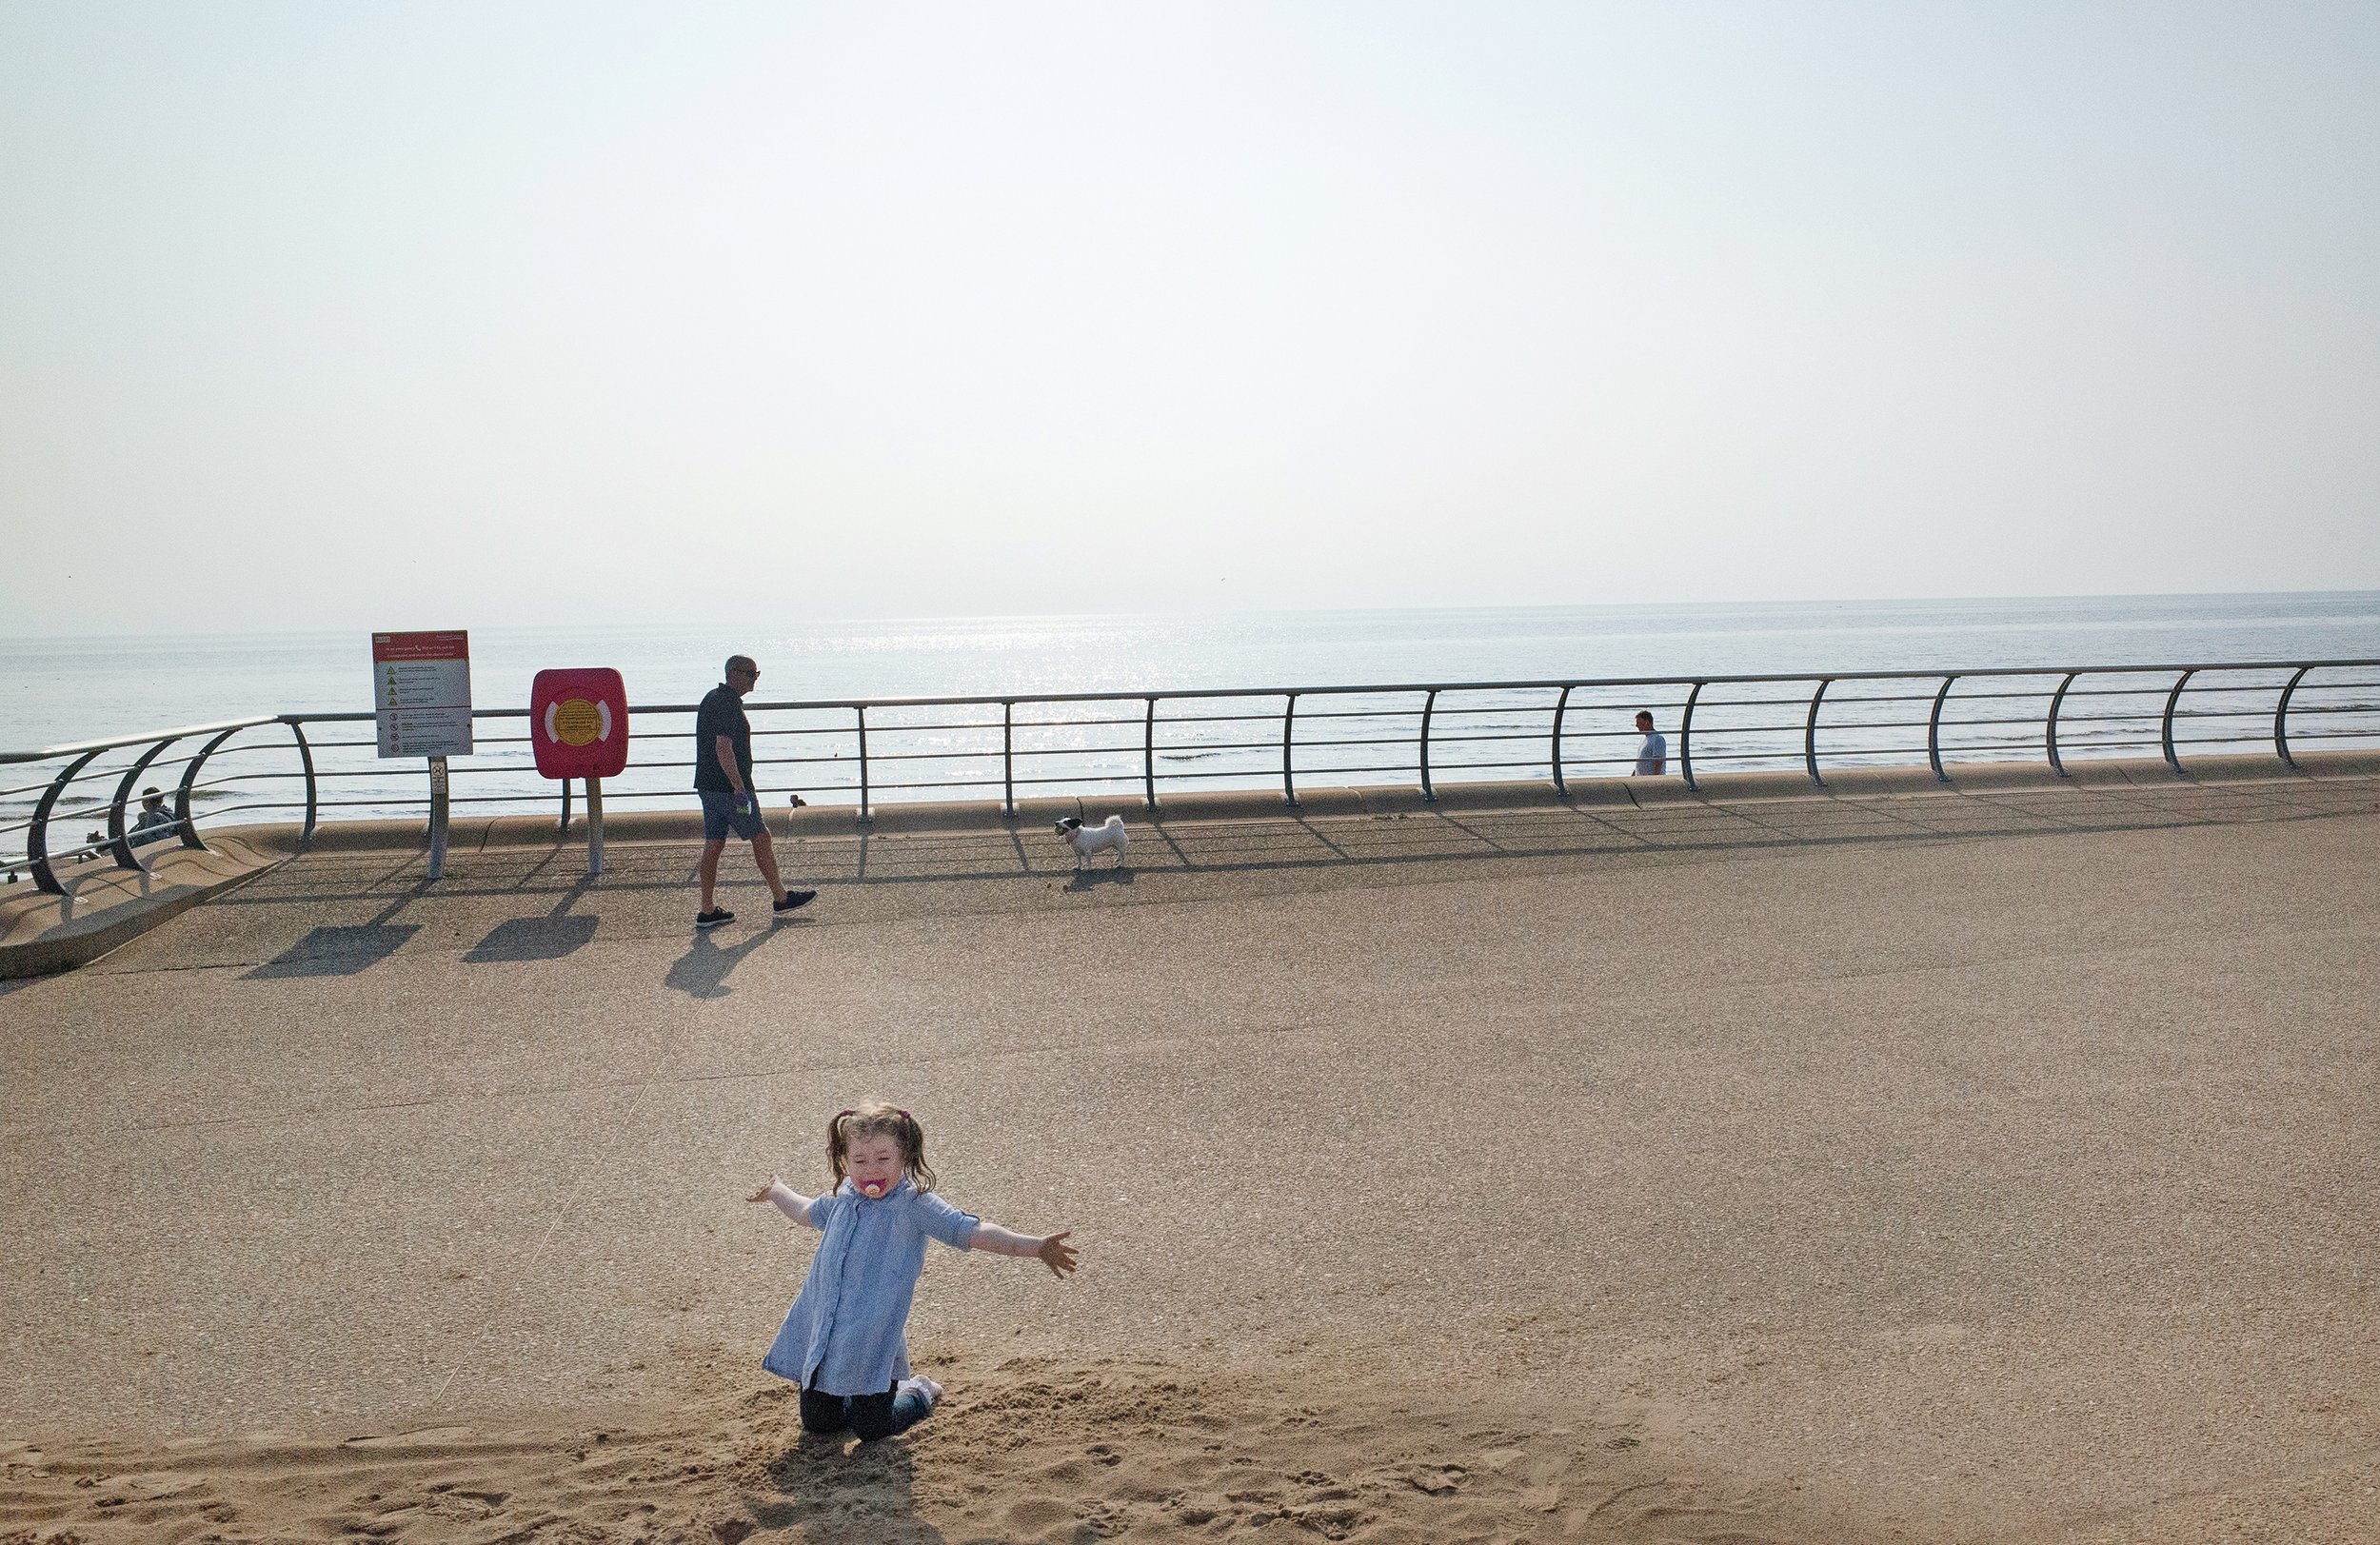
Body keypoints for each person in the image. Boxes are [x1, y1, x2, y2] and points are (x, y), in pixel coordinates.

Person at [747, 1102, 1079, 1443]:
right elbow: (804, 1211)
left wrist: (1036, 1246)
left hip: (873, 1339)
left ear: (904, 1155)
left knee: (873, 1429)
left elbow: (972, 1232)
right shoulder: (843, 1197)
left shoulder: (914, 1204)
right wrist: (776, 1191)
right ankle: (844, 1389)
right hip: (827, 1334)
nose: (869, 1170)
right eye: (859, 1161)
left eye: (883, 1158)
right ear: (845, 1160)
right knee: (819, 1423)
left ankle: (919, 1391)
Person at [694, 654, 814, 929]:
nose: (754, 679)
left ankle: (707, 910)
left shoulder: (712, 698)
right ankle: (781, 898)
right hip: (728, 789)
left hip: (708, 786)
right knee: (761, 837)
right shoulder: (726, 704)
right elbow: (723, 748)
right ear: (733, 674)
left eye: (756, 674)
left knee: (714, 845)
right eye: (751, 674)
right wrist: (739, 786)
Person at [1633, 710, 1668, 776]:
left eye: (1638, 722)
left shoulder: (1657, 739)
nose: (1636, 725)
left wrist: (1653, 782)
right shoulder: (1643, 739)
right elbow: (1640, 762)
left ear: (1647, 722)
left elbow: (1658, 763)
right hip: (1641, 780)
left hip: (1650, 782)